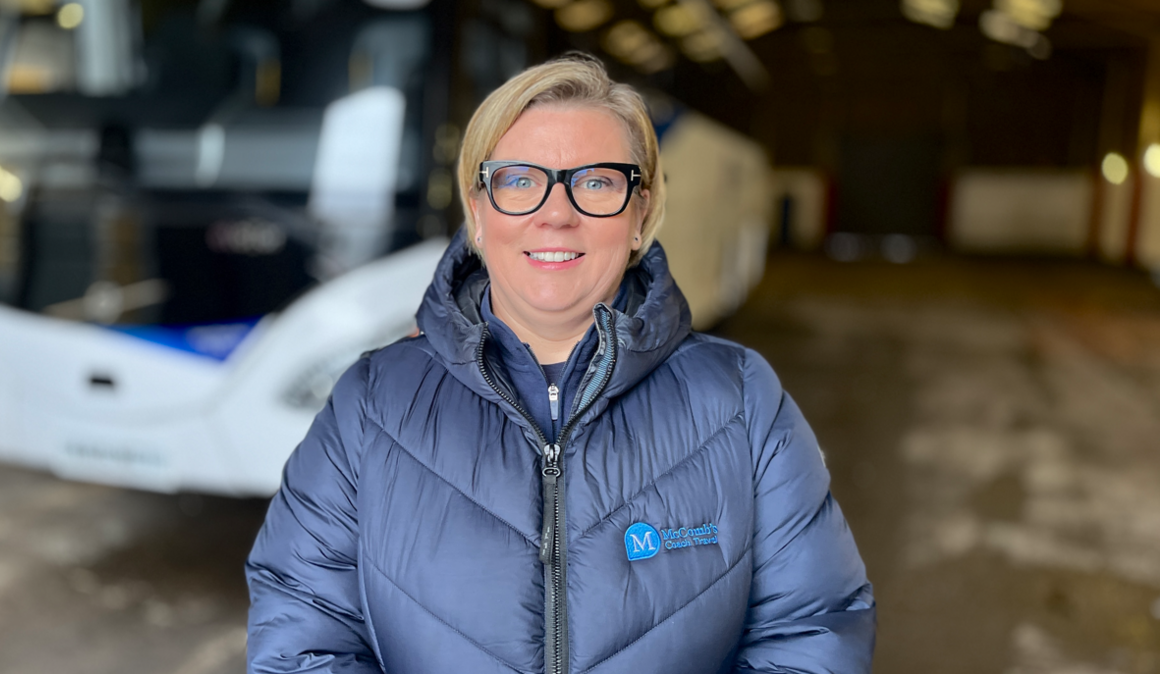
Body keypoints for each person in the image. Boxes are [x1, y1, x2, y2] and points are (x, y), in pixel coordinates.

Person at [246, 54, 875, 674]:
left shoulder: (739, 397)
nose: (556, 212)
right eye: (520, 180)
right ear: (479, 213)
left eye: (596, 182)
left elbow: (814, 629)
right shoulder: (372, 402)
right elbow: (301, 637)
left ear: (639, 215)